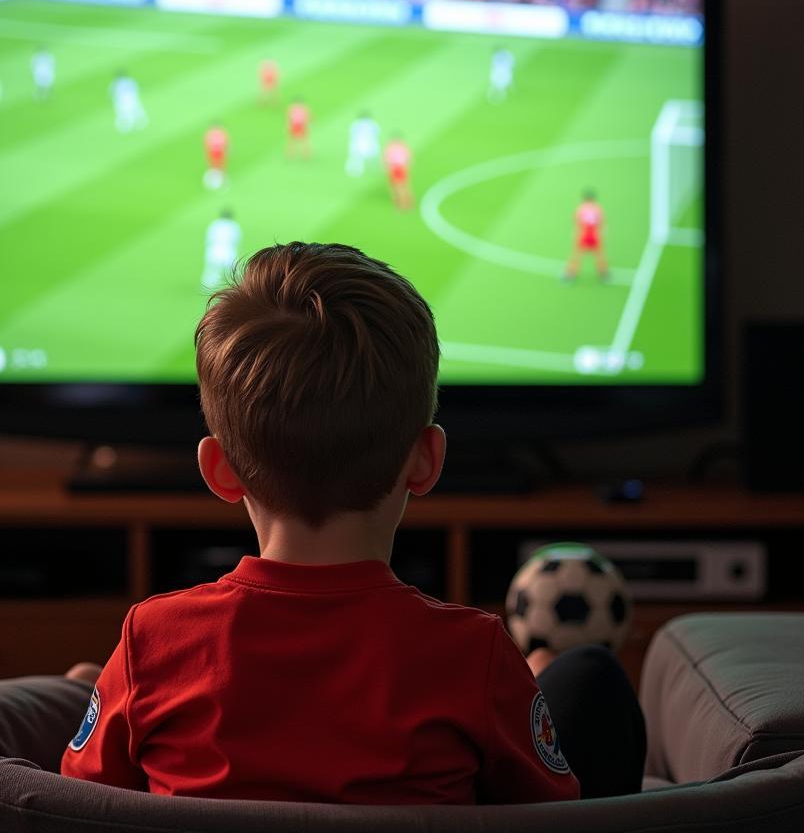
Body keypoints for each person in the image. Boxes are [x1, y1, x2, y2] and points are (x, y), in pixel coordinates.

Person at [61, 242, 646, 803]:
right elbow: (557, 811)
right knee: (587, 681)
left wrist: (102, 690)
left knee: (86, 681)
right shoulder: (475, 656)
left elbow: (80, 804)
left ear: (218, 469)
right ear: (428, 459)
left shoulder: (153, 644)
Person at [564, 189, 609, 281]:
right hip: (594, 234)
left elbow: (577, 222)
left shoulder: (581, 208)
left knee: (576, 254)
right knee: (599, 254)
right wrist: (601, 233)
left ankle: (570, 274)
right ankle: (604, 274)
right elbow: (602, 222)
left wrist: (576, 234)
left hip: (584, 234)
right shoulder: (597, 208)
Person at [199, 208, 241, 289]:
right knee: (234, 274)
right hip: (229, 254)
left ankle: (206, 288)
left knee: (211, 273)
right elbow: (236, 241)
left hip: (214, 252)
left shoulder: (214, 225)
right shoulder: (233, 226)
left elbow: (208, 239)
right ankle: (238, 289)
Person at [345, 110, 381, 177]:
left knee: (356, 159)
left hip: (359, 144)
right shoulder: (372, 124)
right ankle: (375, 169)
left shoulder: (356, 124)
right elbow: (377, 133)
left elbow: (352, 134)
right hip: (370, 144)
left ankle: (354, 171)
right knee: (373, 158)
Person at [383, 132, 414, 209]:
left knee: (397, 187)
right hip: (401, 168)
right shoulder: (403, 147)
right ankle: (407, 203)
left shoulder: (390, 147)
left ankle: (402, 204)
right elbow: (409, 159)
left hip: (395, 168)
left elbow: (386, 159)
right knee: (404, 186)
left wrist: (386, 168)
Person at [203, 121, 229, 190]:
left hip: (219, 151)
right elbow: (206, 143)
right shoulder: (211, 133)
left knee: (221, 166)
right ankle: (214, 181)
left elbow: (226, 142)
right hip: (214, 152)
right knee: (213, 167)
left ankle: (221, 180)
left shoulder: (221, 132)